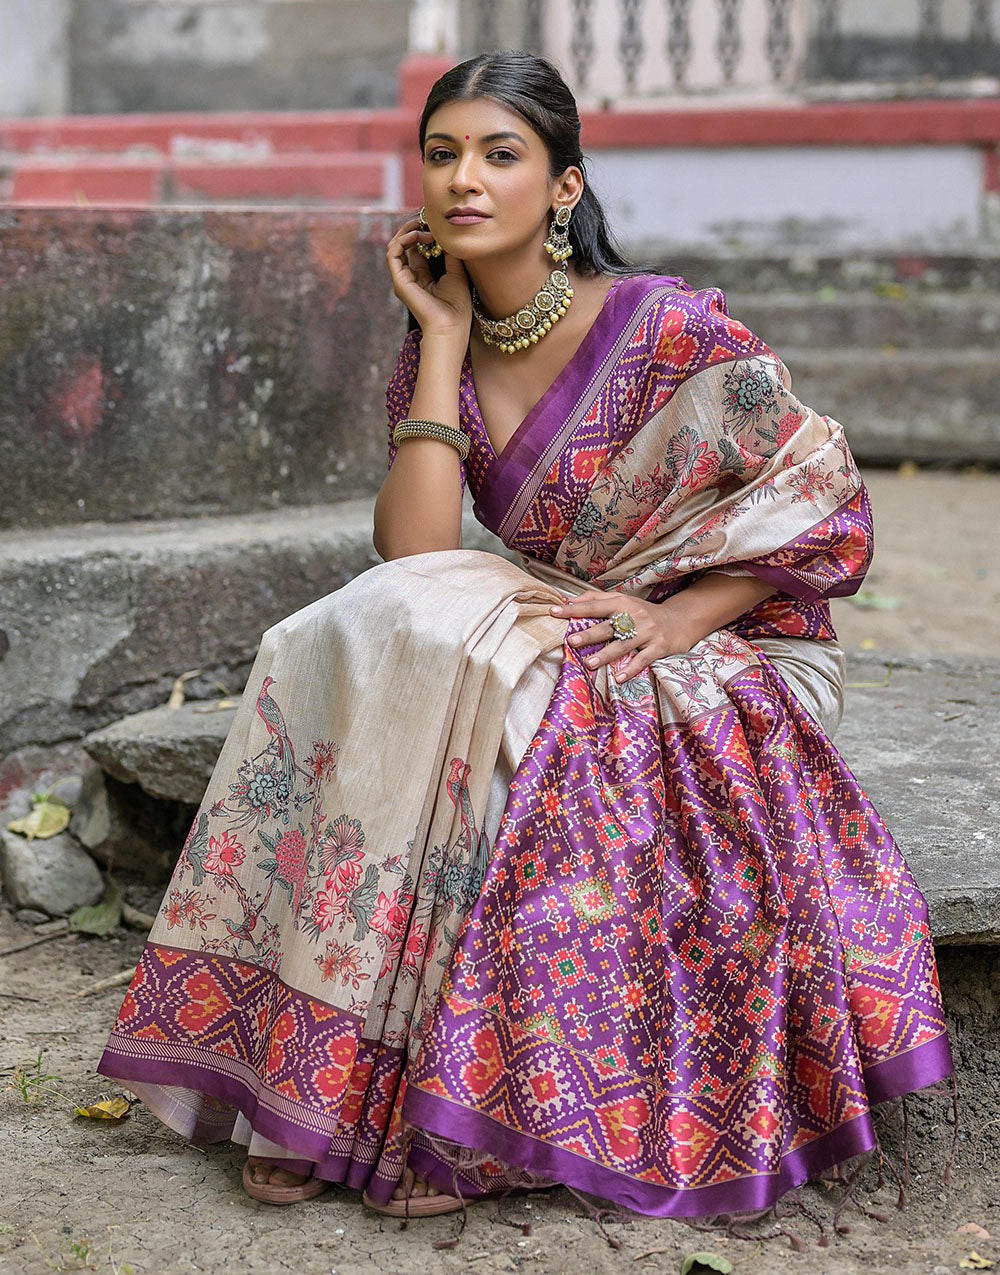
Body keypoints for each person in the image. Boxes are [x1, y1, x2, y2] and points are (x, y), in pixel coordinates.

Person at [97, 49, 954, 1229]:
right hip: (555, 620)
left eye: (500, 155)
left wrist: (670, 612)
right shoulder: (437, 340)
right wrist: (442, 337)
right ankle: (317, 1078)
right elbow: (414, 553)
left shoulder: (665, 326)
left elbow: (821, 498)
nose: (464, 178)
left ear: (563, 187)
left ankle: (422, 1113)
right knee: (348, 633)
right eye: (442, 153)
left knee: (452, 672)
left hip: (728, 641)